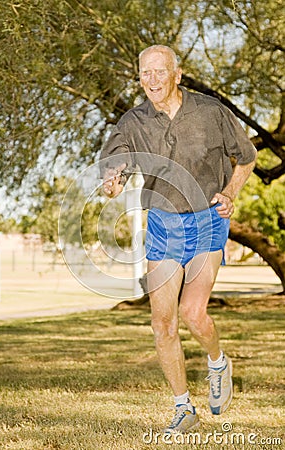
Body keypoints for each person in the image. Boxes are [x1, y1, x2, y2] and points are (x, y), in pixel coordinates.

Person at [100, 45, 257, 433]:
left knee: (192, 312)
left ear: (177, 74)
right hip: (163, 225)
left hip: (206, 220)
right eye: (144, 73)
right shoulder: (132, 122)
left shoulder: (210, 112)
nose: (151, 80)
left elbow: (248, 156)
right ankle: (184, 408)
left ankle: (218, 363)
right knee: (162, 322)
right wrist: (112, 181)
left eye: (158, 72)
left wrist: (231, 192)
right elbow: (113, 165)